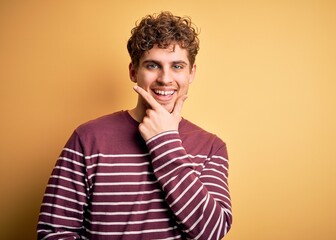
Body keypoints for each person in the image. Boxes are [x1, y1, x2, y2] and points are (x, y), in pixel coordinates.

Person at [37, 11, 232, 240]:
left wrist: (165, 143)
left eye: (177, 66)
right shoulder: (88, 138)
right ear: (133, 72)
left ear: (192, 73)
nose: (165, 78)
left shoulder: (211, 147)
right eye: (153, 65)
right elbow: (54, 232)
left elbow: (212, 231)